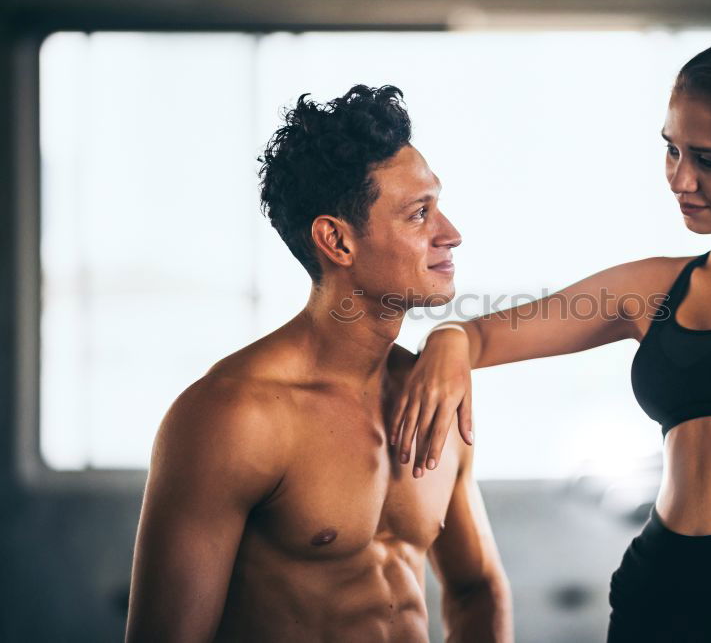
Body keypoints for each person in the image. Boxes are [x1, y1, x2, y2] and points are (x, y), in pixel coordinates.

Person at [391, 39, 711, 642]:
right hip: (653, 596)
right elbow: (482, 333)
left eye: (709, 160)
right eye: (671, 149)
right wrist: (448, 342)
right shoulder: (655, 287)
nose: (681, 178)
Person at [125, 85, 513, 643]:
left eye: (438, 205)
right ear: (336, 240)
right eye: (418, 214)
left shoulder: (433, 392)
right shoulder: (232, 415)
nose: (450, 234)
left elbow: (478, 591)